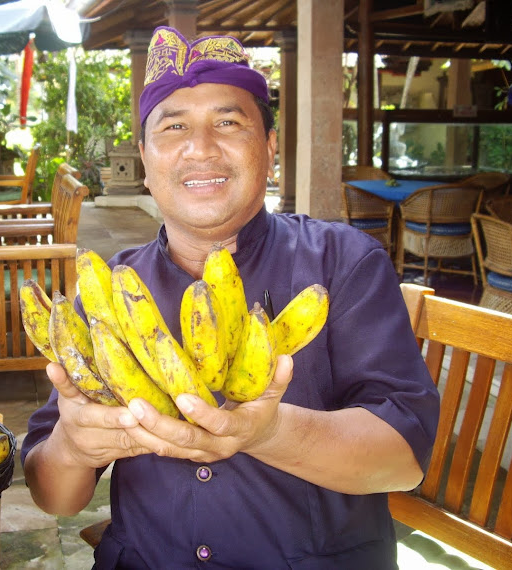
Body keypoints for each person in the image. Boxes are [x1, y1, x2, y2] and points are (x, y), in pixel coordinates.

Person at [22, 26, 439, 569]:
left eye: (228, 122)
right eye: (173, 127)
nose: (200, 147)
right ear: (145, 160)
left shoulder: (343, 265)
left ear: (268, 147)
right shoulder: (109, 292)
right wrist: (74, 449)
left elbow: (403, 461)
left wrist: (270, 432)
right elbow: (54, 497)